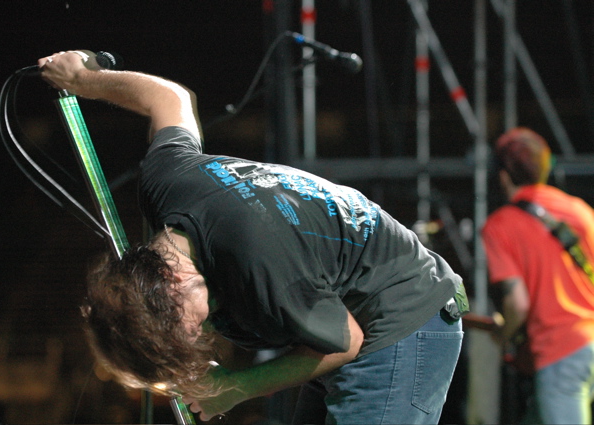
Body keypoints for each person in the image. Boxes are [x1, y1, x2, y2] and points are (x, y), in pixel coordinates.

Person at [38, 50, 466, 424]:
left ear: (170, 281)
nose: (197, 335)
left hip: (402, 314)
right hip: (340, 306)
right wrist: (84, 79)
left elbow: (345, 342)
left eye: (186, 329)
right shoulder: (166, 183)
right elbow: (169, 99)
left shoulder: (259, 261)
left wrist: (235, 387)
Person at [482, 127, 594, 424]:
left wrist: (503, 335)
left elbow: (517, 304)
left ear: (502, 175)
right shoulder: (580, 211)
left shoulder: (500, 225)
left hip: (560, 351)